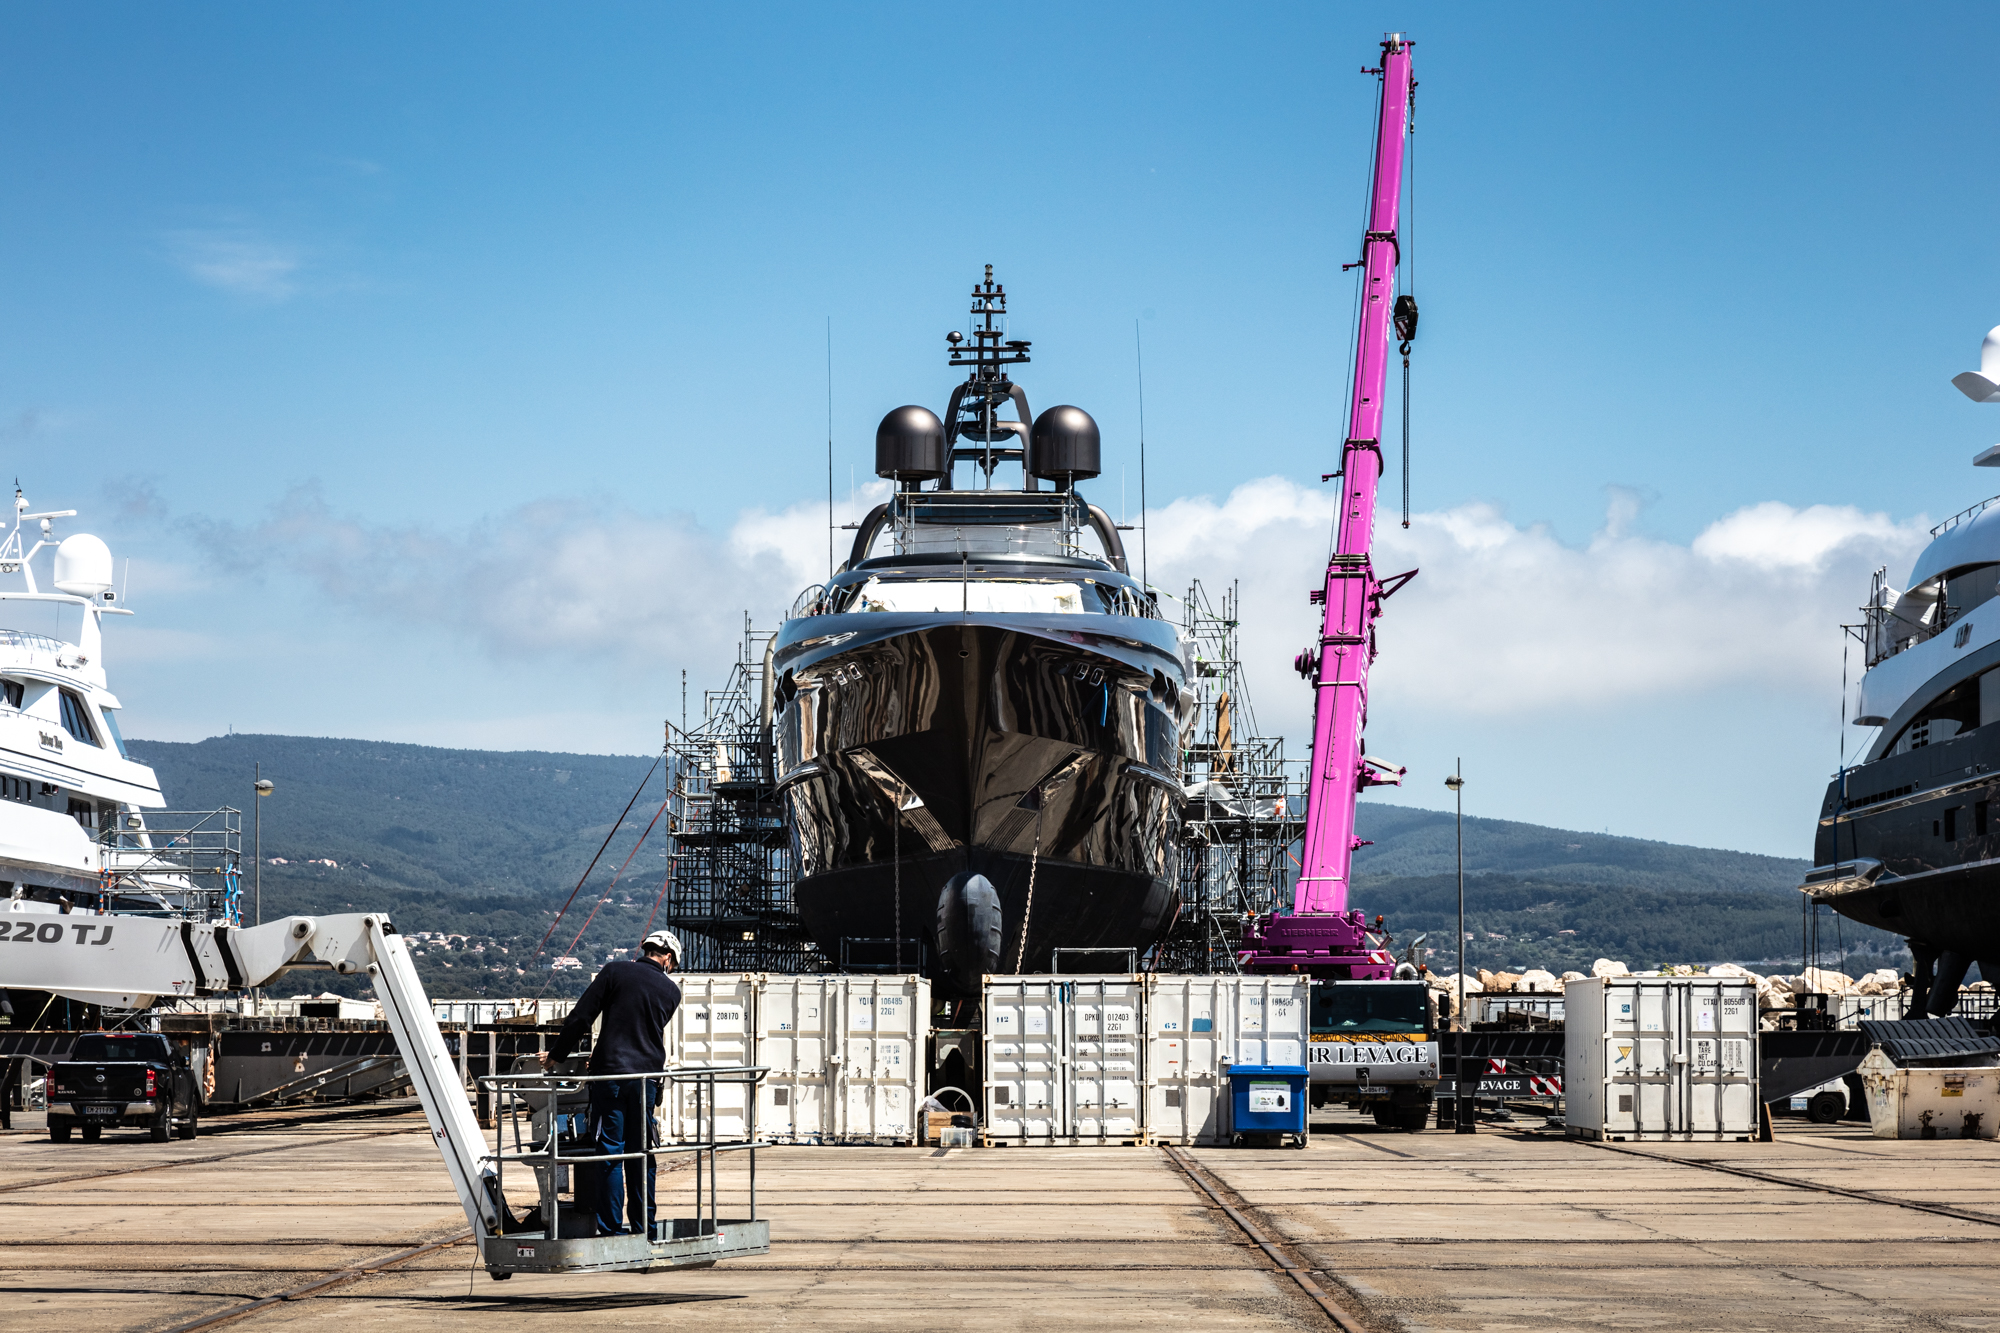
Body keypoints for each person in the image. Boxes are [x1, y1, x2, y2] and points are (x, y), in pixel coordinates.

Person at [541, 929, 683, 1238]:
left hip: (611, 1077)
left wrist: (556, 1055)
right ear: (668, 958)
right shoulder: (672, 992)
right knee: (641, 1153)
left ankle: (610, 1231)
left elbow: (581, 1017)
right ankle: (645, 1229)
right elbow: (641, 1029)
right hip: (646, 1079)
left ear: (645, 949)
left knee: (610, 1152)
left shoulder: (615, 970)